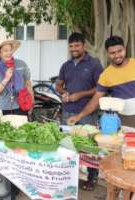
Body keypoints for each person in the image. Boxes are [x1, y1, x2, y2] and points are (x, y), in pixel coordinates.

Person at [56, 32, 103, 191]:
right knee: (67, 145)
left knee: (89, 146)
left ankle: (92, 177)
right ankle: (69, 177)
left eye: (77, 46)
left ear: (83, 45)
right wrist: (64, 93)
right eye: (71, 46)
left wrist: (80, 94)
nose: (74, 49)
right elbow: (58, 85)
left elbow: (100, 88)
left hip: (87, 113)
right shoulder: (66, 65)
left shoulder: (95, 64)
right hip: (67, 112)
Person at [68, 35, 135, 127]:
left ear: (125, 49)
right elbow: (95, 101)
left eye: (120, 51)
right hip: (124, 119)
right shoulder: (106, 75)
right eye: (112, 53)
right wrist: (79, 116)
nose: (117, 55)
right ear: (107, 53)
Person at [0, 39, 34, 116]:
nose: (9, 53)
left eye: (10, 50)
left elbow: (28, 85)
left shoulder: (21, 64)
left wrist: (32, 102)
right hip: (3, 108)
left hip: (22, 105)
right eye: (5, 51)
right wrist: (6, 79)